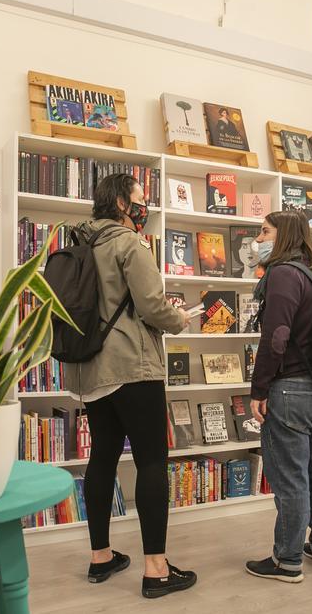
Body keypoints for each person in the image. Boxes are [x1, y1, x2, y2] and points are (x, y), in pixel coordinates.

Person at [69, 173, 197, 599]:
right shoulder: (129, 243)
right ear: (123, 202)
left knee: (102, 457)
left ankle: (100, 556)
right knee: (151, 461)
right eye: (141, 199)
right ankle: (156, 569)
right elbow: (152, 305)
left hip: (92, 372)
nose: (145, 206)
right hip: (133, 367)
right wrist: (181, 319)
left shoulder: (83, 244)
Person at [244, 209, 312, 583]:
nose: (258, 239)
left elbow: (277, 338)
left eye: (264, 231)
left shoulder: (283, 274)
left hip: (292, 391)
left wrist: (259, 388)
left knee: (290, 479)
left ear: (282, 235)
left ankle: (287, 560)